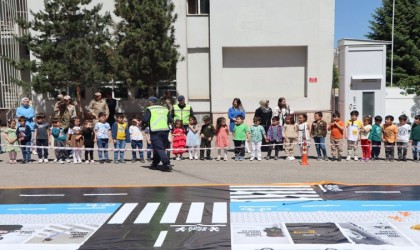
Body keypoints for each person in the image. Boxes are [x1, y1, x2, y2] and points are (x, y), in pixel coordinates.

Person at [142, 96, 173, 171]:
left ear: (150, 102)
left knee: (159, 148)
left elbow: (145, 119)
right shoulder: (165, 109)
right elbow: (170, 120)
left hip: (155, 131)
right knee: (158, 148)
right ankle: (155, 164)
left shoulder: (149, 109)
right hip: (165, 130)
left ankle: (166, 163)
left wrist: (143, 124)